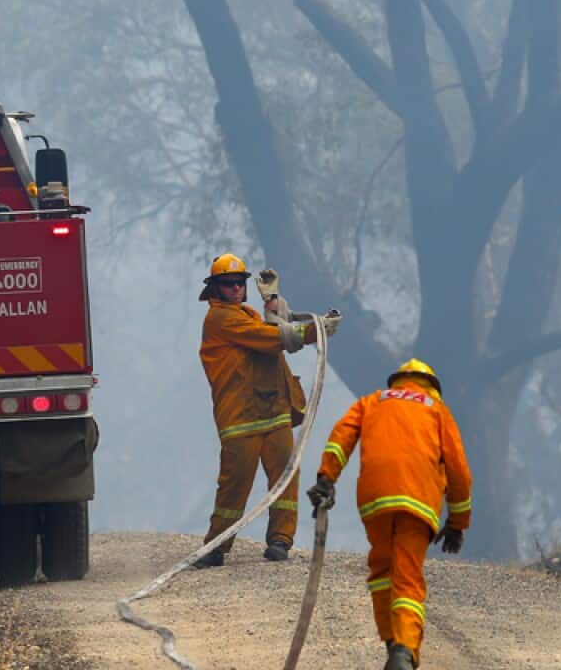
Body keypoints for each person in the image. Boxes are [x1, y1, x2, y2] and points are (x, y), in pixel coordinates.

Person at [306, 359, 472, 670]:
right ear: (431, 387)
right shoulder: (437, 411)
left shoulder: (372, 401)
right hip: (418, 503)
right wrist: (457, 523)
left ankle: (392, 645)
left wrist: (326, 478)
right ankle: (404, 650)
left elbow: (341, 437)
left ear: (397, 382)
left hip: (376, 500)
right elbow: (459, 470)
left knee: (383, 572)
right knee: (407, 577)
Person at [193, 254, 337, 567]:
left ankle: (280, 541)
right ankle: (216, 546)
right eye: (228, 284)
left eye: (239, 283)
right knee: (234, 486)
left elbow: (272, 327)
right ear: (214, 289)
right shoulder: (220, 320)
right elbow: (270, 338)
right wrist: (315, 330)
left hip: (273, 411)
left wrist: (273, 301)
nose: (235, 288)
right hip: (241, 419)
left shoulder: (244, 314)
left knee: (286, 478)